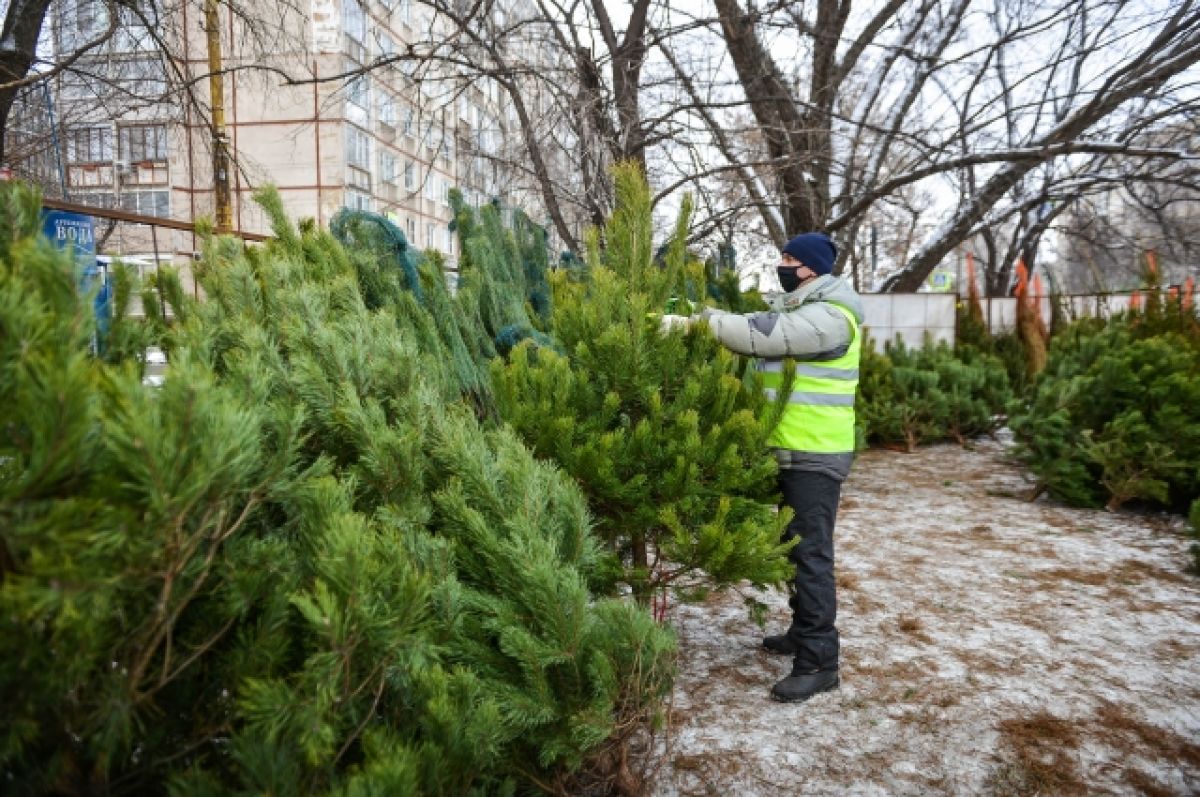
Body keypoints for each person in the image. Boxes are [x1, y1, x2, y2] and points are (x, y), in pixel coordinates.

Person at [664, 232, 863, 703]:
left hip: (815, 454)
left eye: (790, 258)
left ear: (812, 269)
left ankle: (819, 659)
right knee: (792, 549)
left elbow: (759, 334)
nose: (782, 264)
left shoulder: (832, 318)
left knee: (811, 556)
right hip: (786, 449)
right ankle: (801, 630)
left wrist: (696, 322)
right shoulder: (802, 308)